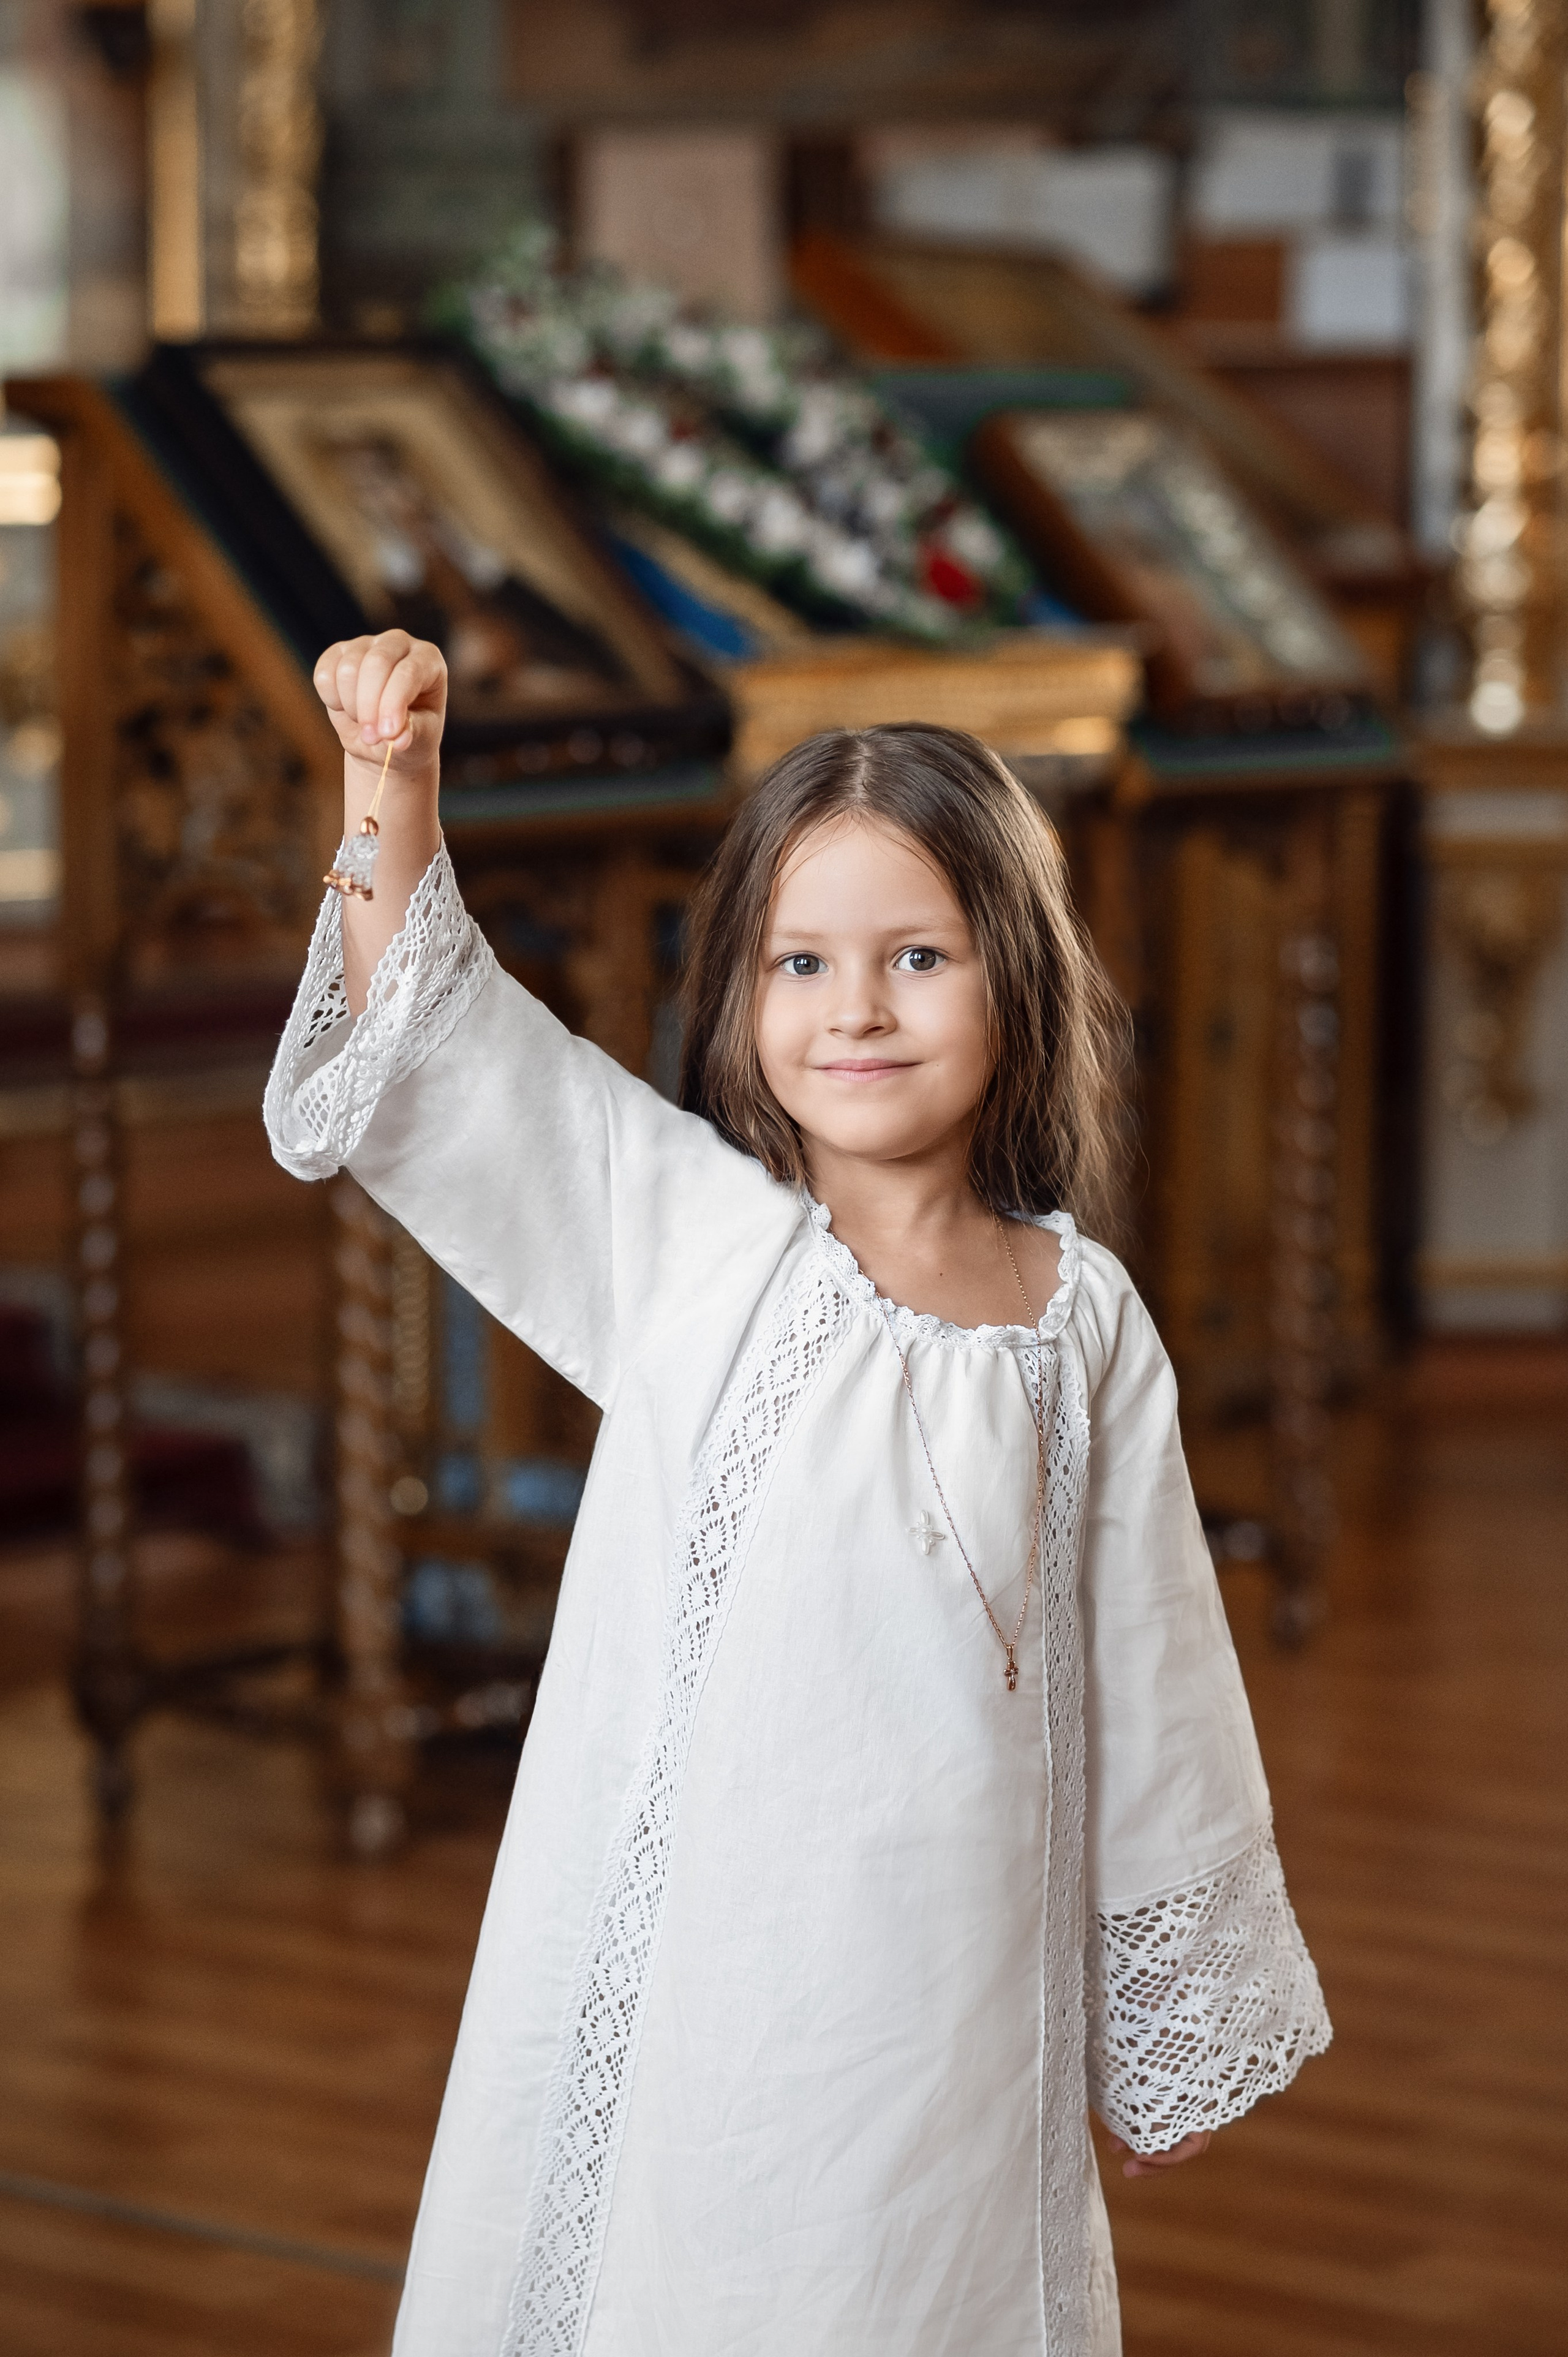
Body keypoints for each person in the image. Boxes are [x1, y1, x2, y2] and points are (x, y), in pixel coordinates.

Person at [265, 630, 1331, 2357]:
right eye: (802, 962)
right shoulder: (690, 1244)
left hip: (965, 1978)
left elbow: (1159, 1673)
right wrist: (390, 787)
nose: (856, 1009)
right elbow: (445, 1043)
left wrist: (1162, 2017)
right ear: (740, 1000)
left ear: (1020, 981)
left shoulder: (1084, 1327)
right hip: (713, 1969)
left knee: (928, 2283)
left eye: (919, 956)